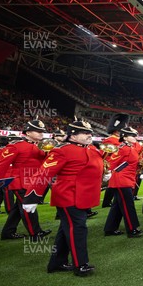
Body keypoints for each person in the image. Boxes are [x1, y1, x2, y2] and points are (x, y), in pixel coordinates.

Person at [22, 119, 102, 277]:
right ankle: (81, 265)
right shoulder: (62, 150)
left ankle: (57, 263)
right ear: (72, 136)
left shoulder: (91, 149)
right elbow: (44, 173)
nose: (89, 135)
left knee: (66, 229)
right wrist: (32, 197)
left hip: (82, 196)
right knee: (78, 228)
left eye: (90, 132)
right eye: (84, 133)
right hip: (68, 195)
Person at [0, 119, 52, 240]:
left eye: (42, 131)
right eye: (38, 131)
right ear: (28, 132)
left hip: (31, 182)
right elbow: (2, 164)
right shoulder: (16, 146)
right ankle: (35, 233)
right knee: (28, 206)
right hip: (20, 182)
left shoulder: (39, 146)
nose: (41, 133)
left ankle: (8, 232)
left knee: (17, 209)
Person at [103, 126, 143, 238]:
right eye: (132, 135)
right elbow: (111, 162)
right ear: (124, 137)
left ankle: (110, 228)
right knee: (127, 205)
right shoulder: (122, 148)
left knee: (117, 205)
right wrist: (108, 173)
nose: (135, 137)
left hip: (127, 178)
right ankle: (132, 229)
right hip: (121, 180)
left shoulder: (130, 147)